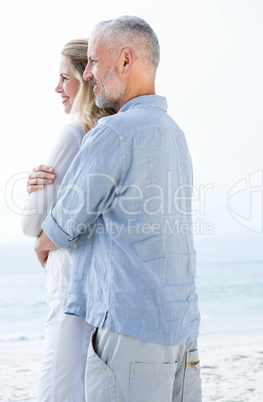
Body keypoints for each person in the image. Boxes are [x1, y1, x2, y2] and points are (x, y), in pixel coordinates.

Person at [34, 16, 202, 401]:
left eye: (93, 61)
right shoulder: (174, 133)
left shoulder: (113, 133)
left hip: (130, 334)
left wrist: (40, 243)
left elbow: (60, 229)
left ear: (125, 60)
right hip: (182, 337)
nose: (88, 73)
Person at [21, 39, 114, 401]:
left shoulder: (73, 133)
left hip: (68, 290)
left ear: (86, 79)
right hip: (98, 290)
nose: (57, 88)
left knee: (55, 392)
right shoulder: (106, 136)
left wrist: (35, 195)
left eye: (65, 78)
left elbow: (31, 226)